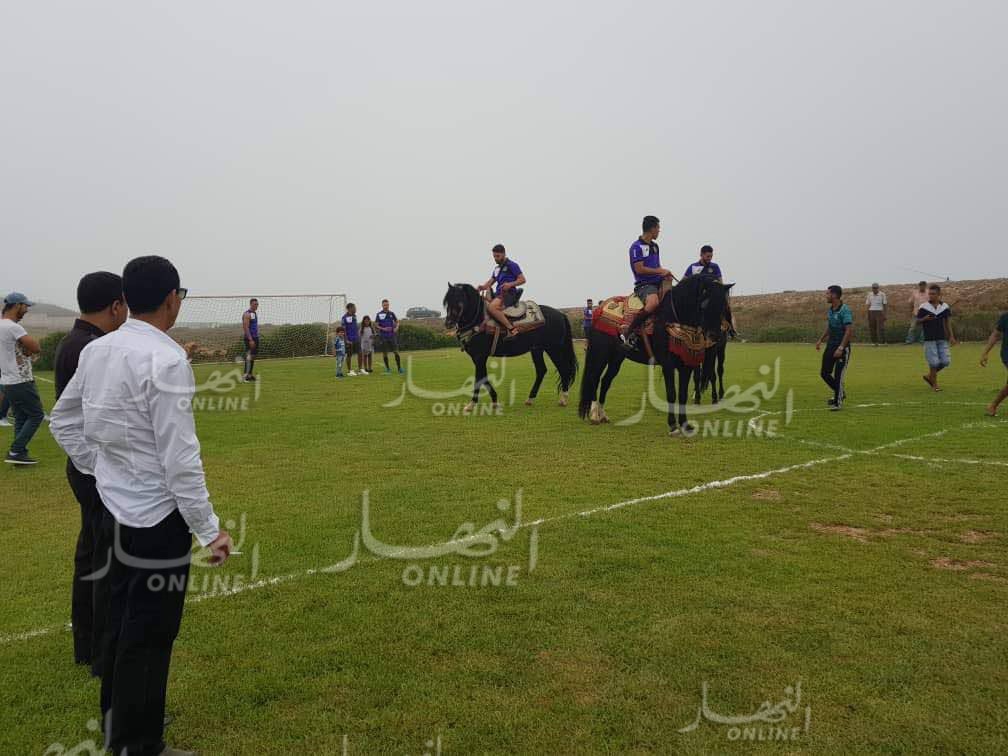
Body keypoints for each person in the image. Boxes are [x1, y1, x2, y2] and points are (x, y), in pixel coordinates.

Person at [50, 256, 232, 756]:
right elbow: (180, 460)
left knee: (119, 622)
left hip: (113, 511)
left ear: (127, 300)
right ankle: (137, 742)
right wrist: (209, 529)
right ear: (172, 299)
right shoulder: (166, 360)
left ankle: (122, 726)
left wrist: (103, 471)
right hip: (156, 520)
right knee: (150, 632)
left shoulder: (99, 350)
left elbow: (62, 421)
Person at [53, 272, 128, 673]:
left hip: (84, 467)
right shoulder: (90, 348)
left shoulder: (75, 342)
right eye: (125, 304)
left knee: (91, 555)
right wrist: (99, 468)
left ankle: (86, 644)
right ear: (116, 306)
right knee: (104, 561)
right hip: (92, 468)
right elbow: (71, 420)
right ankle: (101, 650)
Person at [1, 292, 44, 464]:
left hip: (7, 381)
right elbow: (36, 347)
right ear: (17, 305)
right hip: (21, 380)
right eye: (25, 306)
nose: (26, 310)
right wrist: (29, 349)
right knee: (36, 415)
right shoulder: (13, 327)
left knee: (21, 417)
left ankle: (19, 455)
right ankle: (16, 450)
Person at [622, 216, 674, 345]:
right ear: (652, 229)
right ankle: (629, 331)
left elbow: (657, 266)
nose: (659, 231)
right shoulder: (636, 247)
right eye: (658, 228)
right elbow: (639, 269)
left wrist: (665, 273)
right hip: (645, 285)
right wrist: (660, 271)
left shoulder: (655, 246)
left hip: (659, 282)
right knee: (653, 303)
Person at [815, 285, 853, 411]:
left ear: (834, 295)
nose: (826, 296)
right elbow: (830, 327)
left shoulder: (845, 310)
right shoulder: (831, 310)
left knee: (838, 376)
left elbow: (848, 331)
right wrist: (821, 339)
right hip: (831, 346)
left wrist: (841, 348)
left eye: (828, 294)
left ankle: (838, 402)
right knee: (824, 373)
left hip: (842, 348)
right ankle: (840, 392)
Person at [477, 244, 525, 337]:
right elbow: (491, 282)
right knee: (482, 303)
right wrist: (482, 287)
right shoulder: (497, 268)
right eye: (494, 256)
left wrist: (510, 284)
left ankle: (511, 329)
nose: (495, 258)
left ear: (504, 254)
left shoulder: (512, 265)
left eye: (498, 256)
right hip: (498, 294)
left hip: (509, 294)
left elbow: (522, 280)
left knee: (492, 308)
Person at [917, 284, 957, 391]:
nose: (930, 296)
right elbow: (917, 321)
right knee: (934, 363)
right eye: (929, 294)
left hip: (942, 338)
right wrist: (924, 319)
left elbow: (948, 322)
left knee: (945, 362)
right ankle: (935, 385)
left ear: (939, 294)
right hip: (929, 338)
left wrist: (951, 336)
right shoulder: (923, 307)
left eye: (933, 294)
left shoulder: (945, 307)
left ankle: (929, 376)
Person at [979, 311, 1008, 417]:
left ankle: (992, 405)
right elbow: (995, 335)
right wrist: (985, 353)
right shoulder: (1005, 317)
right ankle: (993, 405)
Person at [375, 299, 403, 374]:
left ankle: (399, 368)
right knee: (385, 353)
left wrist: (396, 327)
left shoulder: (391, 313)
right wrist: (383, 328)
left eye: (387, 305)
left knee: (396, 352)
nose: (386, 306)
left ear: (389, 305)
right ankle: (388, 369)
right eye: (384, 305)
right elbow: (376, 325)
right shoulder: (379, 314)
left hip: (392, 336)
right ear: (382, 305)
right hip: (383, 336)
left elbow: (397, 322)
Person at [242, 297, 259, 382]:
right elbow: (246, 327)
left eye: (257, 304)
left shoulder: (254, 313)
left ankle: (250, 375)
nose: (256, 305)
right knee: (249, 357)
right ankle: (245, 376)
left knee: (253, 356)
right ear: (250, 304)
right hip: (250, 339)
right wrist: (250, 339)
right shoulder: (247, 314)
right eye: (255, 304)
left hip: (255, 338)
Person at [341, 303, 360, 376]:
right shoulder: (344, 317)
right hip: (349, 339)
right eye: (354, 308)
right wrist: (346, 340)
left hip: (356, 339)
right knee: (349, 354)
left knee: (360, 353)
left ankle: (360, 369)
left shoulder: (354, 316)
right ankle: (349, 371)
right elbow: (344, 330)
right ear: (350, 308)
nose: (355, 309)